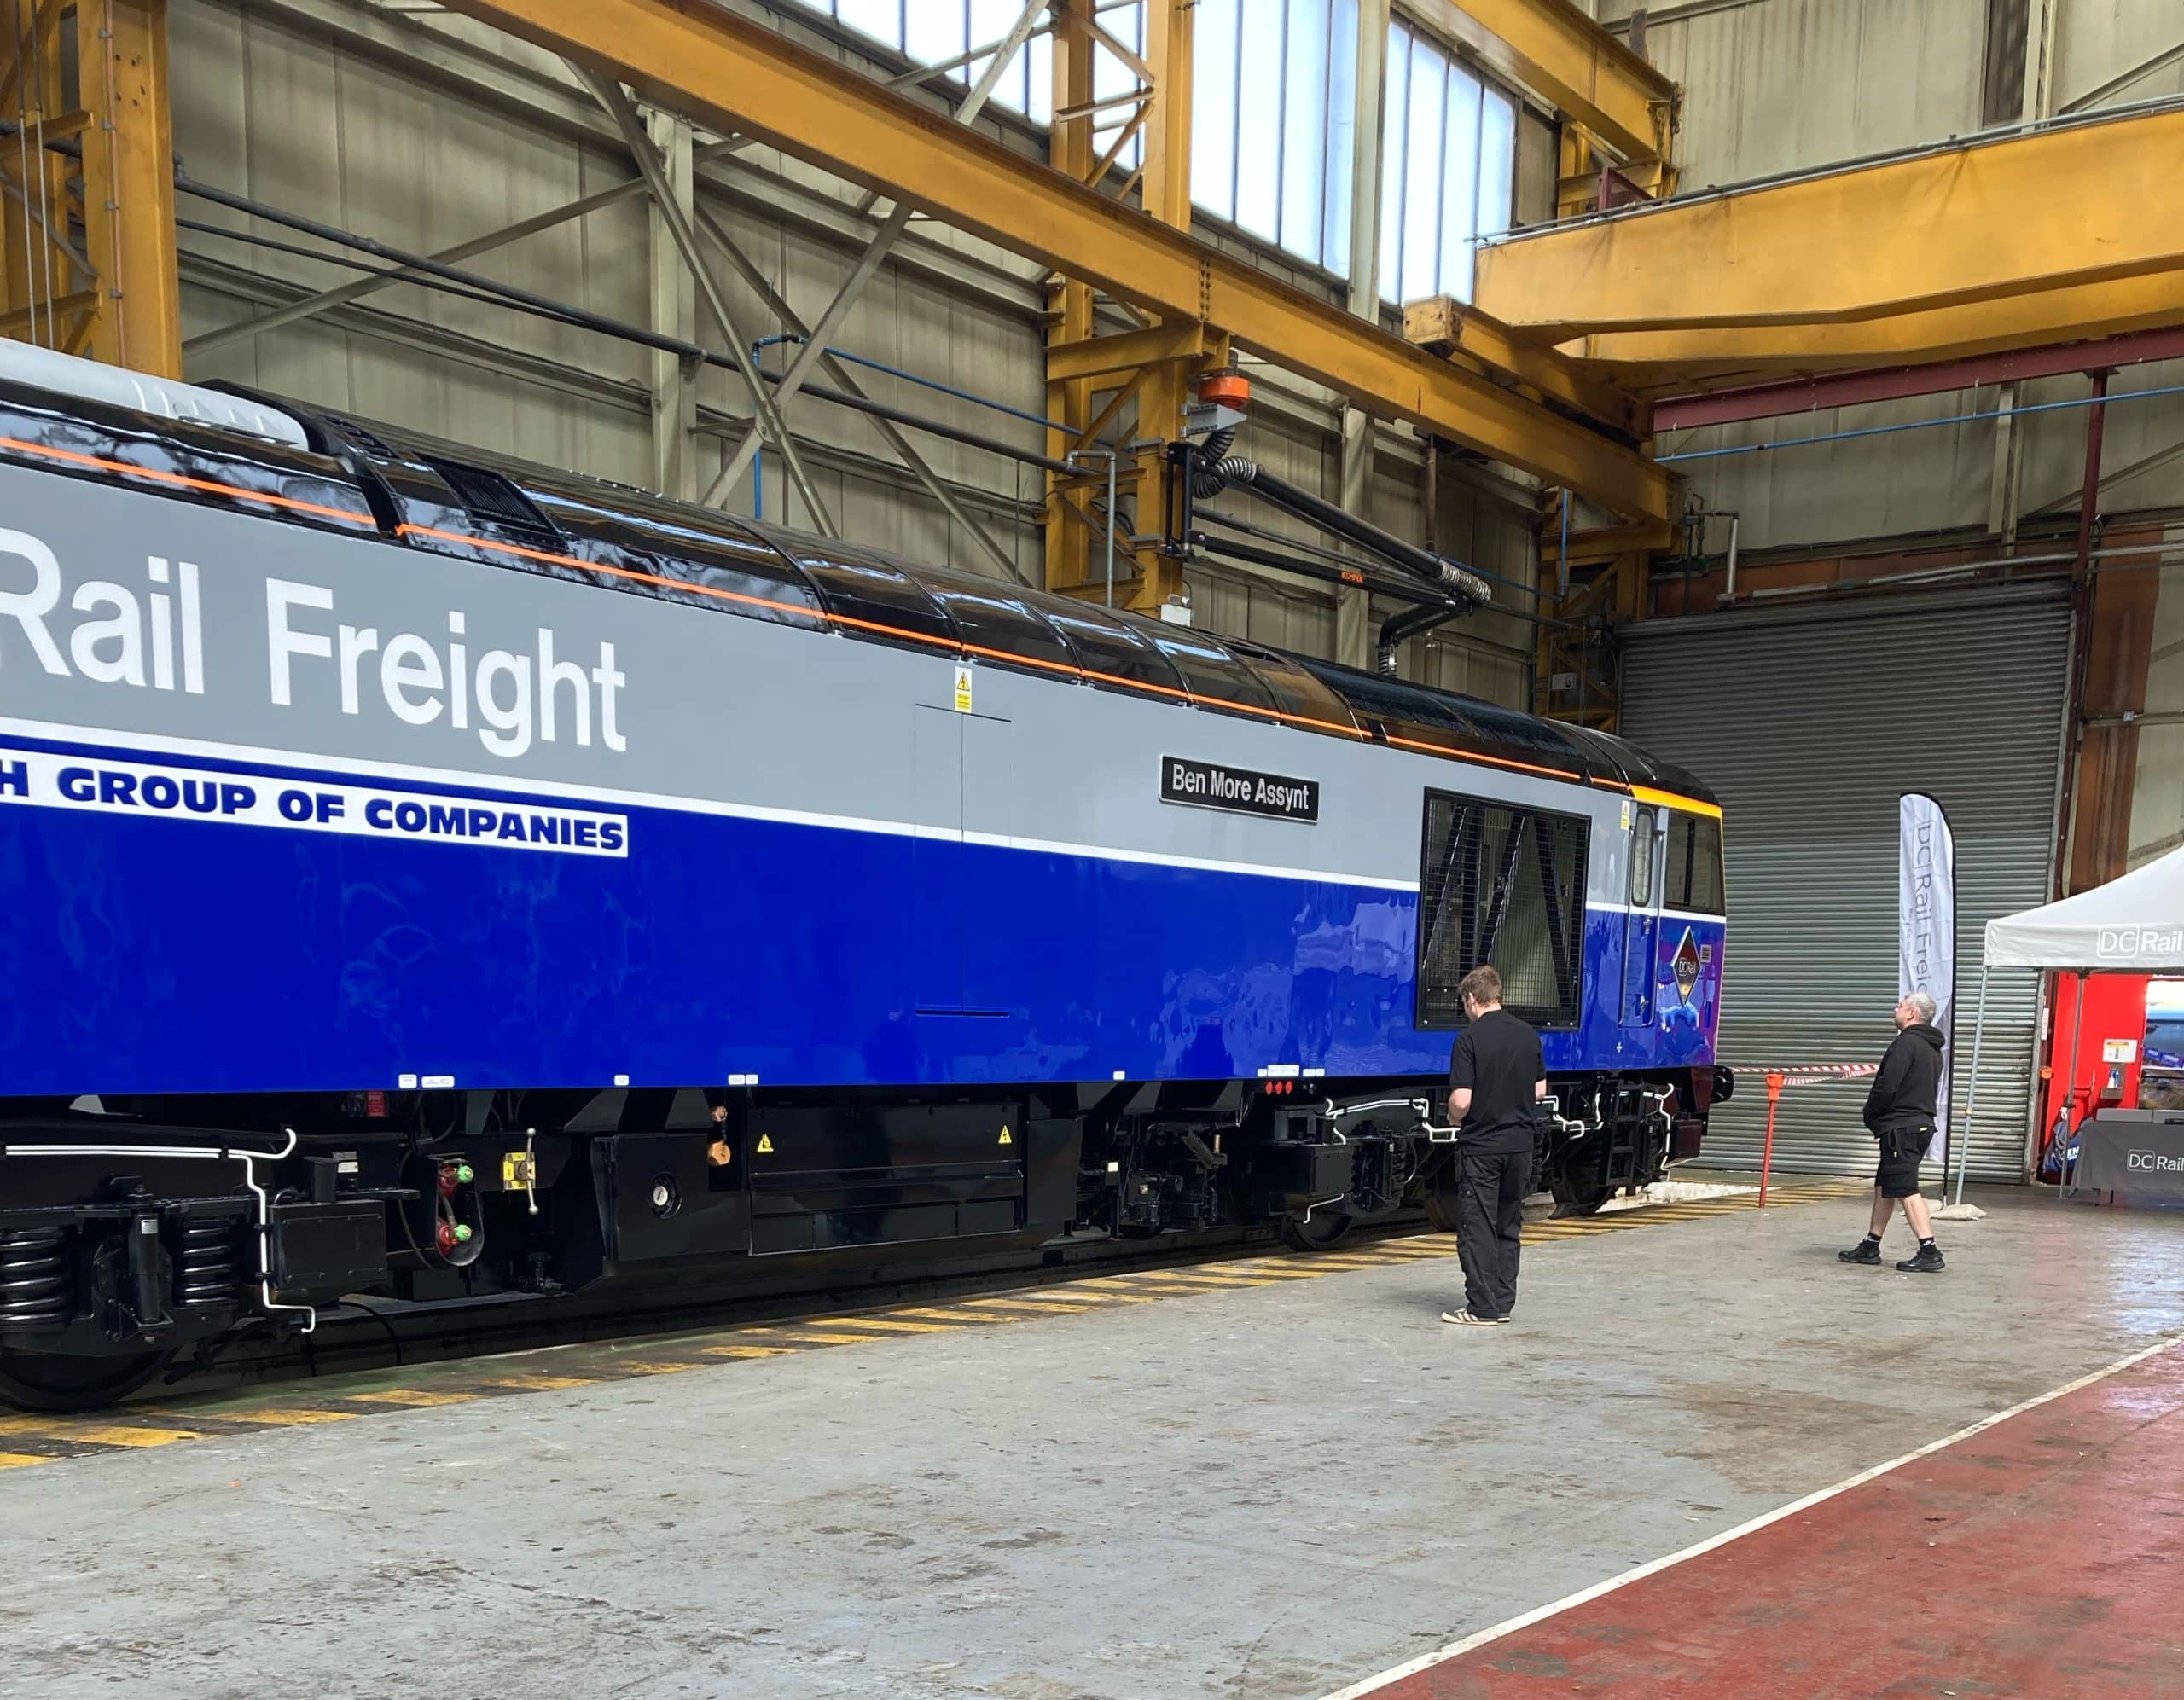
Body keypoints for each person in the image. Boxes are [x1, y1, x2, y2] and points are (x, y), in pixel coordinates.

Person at [1441, 966, 1546, 1326]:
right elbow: (1539, 1091)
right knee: (1508, 1224)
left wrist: (1454, 1119)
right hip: (1521, 1146)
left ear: (1472, 998)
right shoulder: (1528, 1035)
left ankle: (1480, 1308)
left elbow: (1462, 1101)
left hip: (1483, 1147)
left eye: (1464, 1002)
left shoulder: (1469, 1040)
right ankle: (1502, 1305)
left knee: (1478, 1227)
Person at [1840, 990, 1947, 1273]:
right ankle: (1871, 1244)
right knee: (1885, 1186)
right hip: (1918, 1124)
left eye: (1900, 1005)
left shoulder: (1905, 1045)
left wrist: (1871, 1113)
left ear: (1911, 1013)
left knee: (1906, 1188)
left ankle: (1929, 1250)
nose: (1894, 1009)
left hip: (1902, 1127)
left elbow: (1887, 1086)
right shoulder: (1932, 1049)